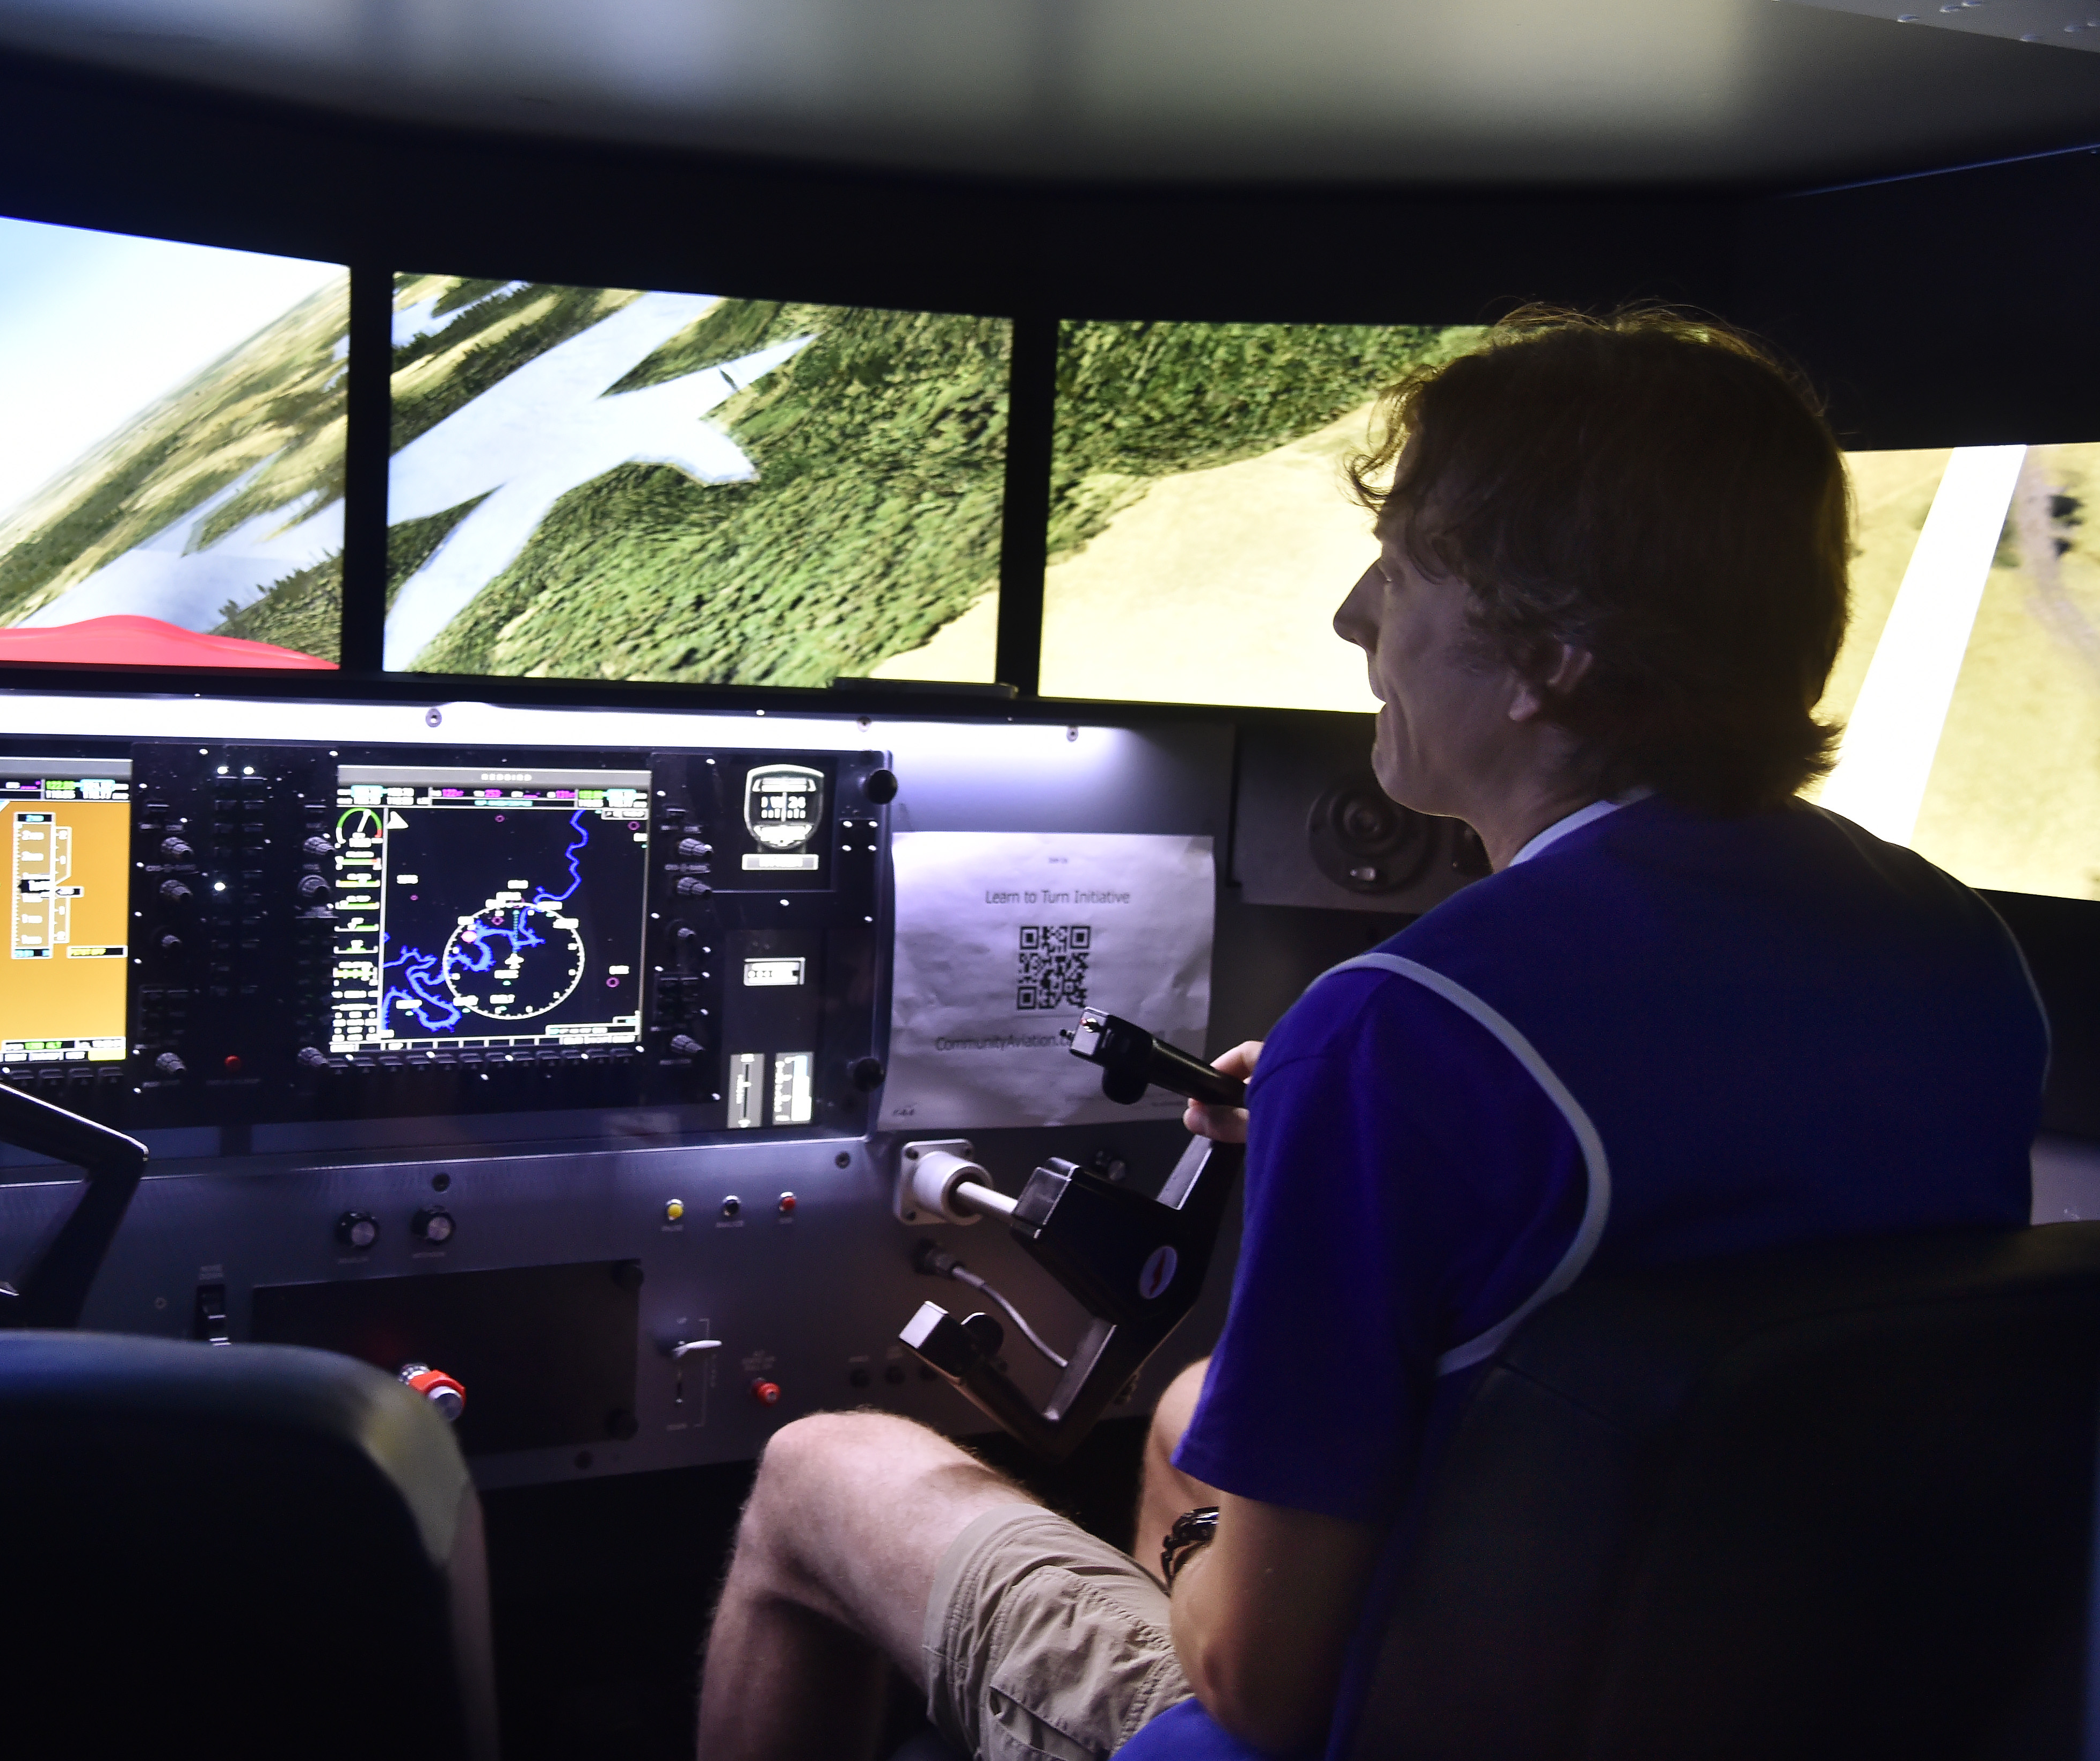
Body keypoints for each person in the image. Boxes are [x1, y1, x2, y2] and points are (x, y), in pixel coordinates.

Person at [696, 308, 2050, 1761]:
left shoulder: (1408, 1033)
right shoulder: (1958, 953)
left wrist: (1206, 1529)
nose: (1355, 620)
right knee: (1196, 1413)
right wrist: (1365, 1133)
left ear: (1551, 662)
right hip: (1771, 1704)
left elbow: (1262, 1685)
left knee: (821, 1468)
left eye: (1401, 575)